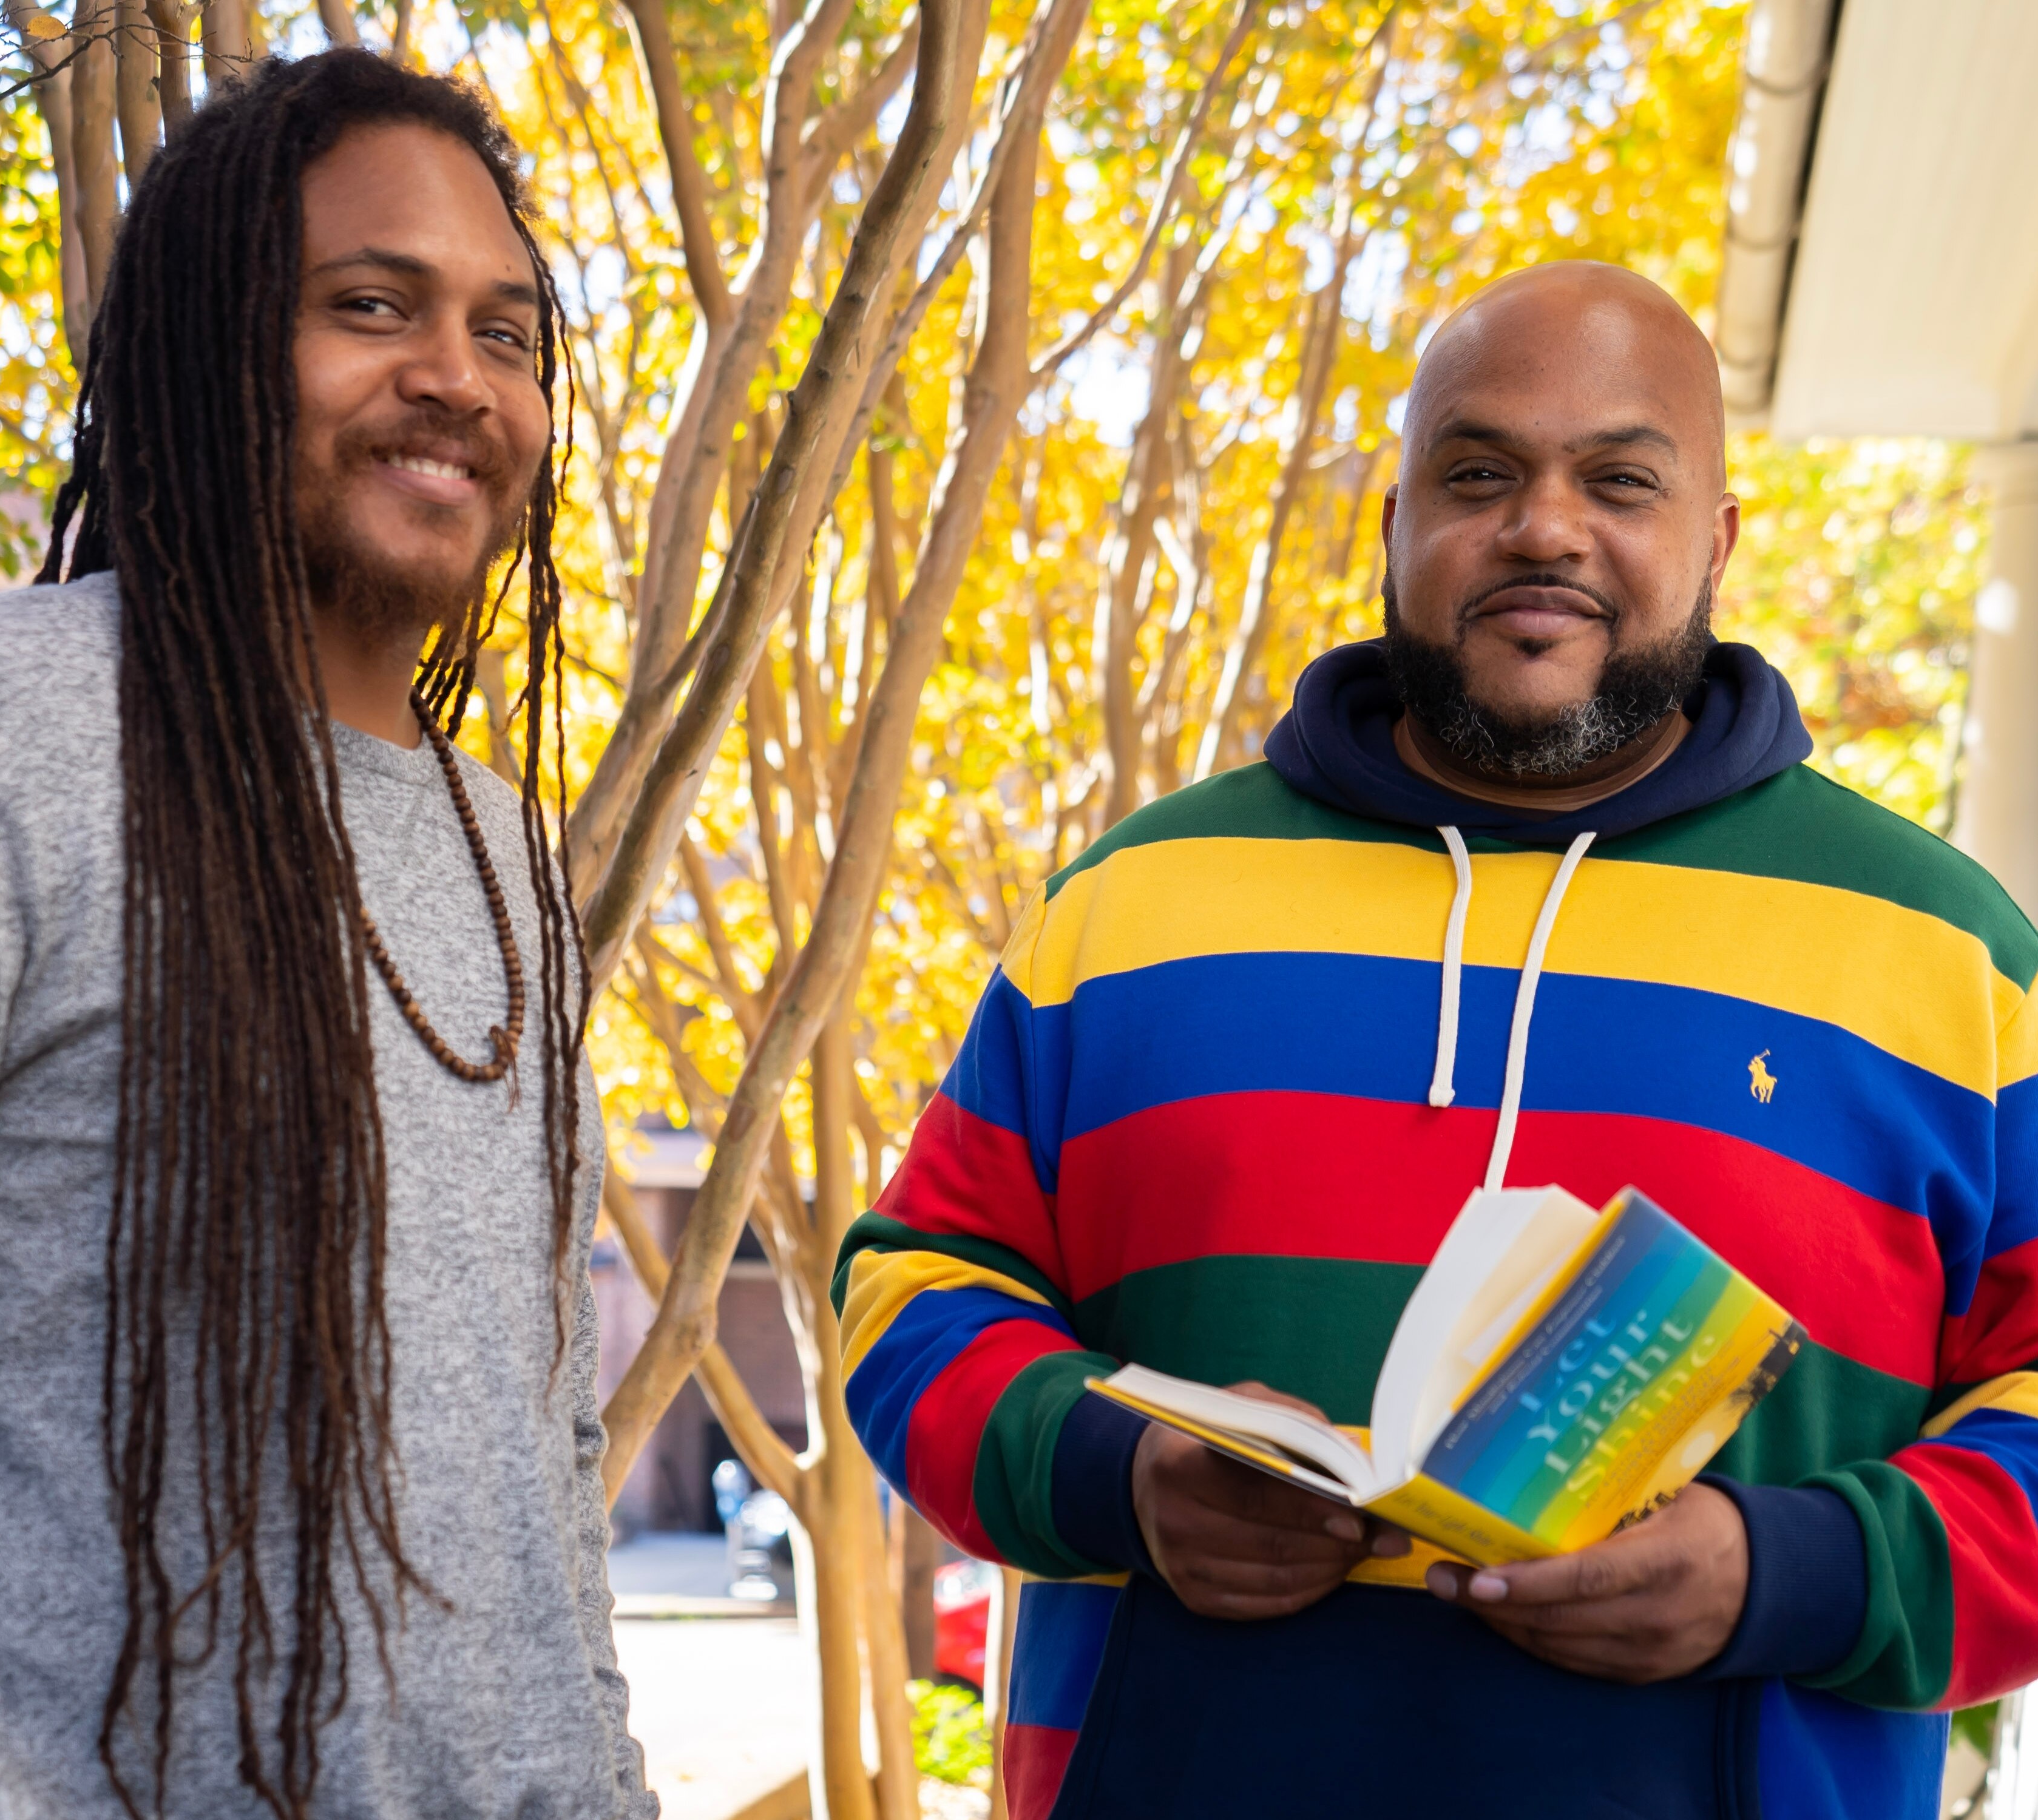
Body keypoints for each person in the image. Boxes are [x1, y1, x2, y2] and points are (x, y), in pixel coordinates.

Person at [836, 262, 2038, 1819]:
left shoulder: (1947, 952)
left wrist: (1783, 1572)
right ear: (1394, 525)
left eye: (1618, 477)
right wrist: (1115, 1474)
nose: (1542, 525)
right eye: (1477, 473)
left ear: (1718, 538)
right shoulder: (1133, 905)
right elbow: (908, 1295)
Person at [0, 51, 654, 1820]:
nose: (455, 379)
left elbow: (542, 1454)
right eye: (369, 305)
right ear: (209, 346)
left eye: (506, 331)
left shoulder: (504, 854)